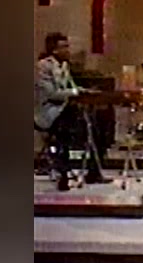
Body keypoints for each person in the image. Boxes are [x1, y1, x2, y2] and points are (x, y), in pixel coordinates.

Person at [34, 33, 111, 190]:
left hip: (65, 109)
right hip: (48, 112)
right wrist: (75, 93)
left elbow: (71, 87)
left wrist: (86, 92)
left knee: (99, 123)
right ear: (54, 50)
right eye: (64, 47)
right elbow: (52, 94)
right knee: (68, 127)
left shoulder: (64, 66)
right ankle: (63, 173)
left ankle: (93, 171)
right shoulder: (42, 66)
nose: (68, 50)